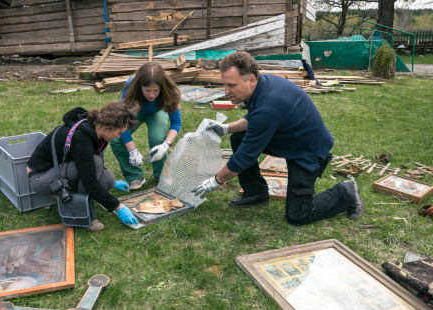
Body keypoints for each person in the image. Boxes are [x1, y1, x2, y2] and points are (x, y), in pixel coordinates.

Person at [191, 51, 363, 225]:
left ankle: (345, 191)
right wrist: (227, 128)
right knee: (239, 137)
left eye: (231, 85)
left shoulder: (269, 106)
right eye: (224, 84)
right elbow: (256, 118)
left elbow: (245, 156)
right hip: (289, 138)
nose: (226, 91)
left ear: (251, 80)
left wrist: (215, 180)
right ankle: (256, 192)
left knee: (298, 215)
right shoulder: (263, 84)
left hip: (308, 151)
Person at [27, 102, 140, 231]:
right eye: (119, 133)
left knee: (108, 179)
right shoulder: (82, 137)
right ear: (109, 127)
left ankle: (66, 194)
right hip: (40, 178)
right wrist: (119, 207)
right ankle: (81, 214)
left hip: (57, 170)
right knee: (96, 163)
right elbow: (89, 181)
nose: (119, 136)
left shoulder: (97, 130)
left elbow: (85, 162)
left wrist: (113, 183)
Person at [110, 62, 182, 190]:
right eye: (147, 90)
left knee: (157, 139)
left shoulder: (168, 90)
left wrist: (166, 145)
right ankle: (135, 177)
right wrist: (132, 151)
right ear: (139, 86)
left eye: (156, 91)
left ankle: (162, 175)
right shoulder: (130, 86)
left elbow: (176, 122)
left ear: (162, 87)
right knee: (116, 139)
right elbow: (122, 122)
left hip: (157, 112)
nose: (152, 95)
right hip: (135, 112)